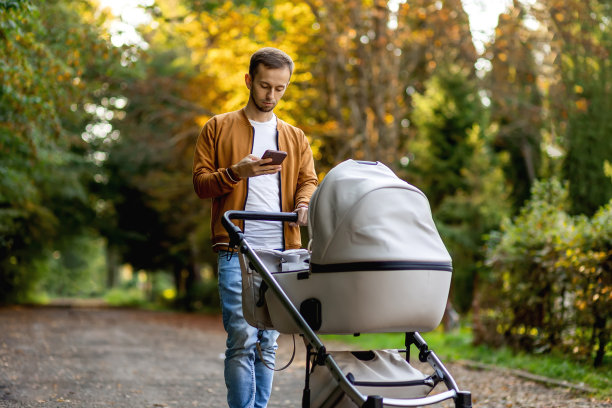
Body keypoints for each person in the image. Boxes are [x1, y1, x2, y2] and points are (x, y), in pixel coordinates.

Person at [192, 47, 318, 408]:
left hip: (283, 254)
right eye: (265, 86)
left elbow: (308, 181)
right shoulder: (216, 128)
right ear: (249, 80)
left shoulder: (295, 137)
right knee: (242, 339)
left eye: (280, 89)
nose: (272, 96)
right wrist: (237, 172)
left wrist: (304, 204)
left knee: (269, 341)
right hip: (235, 250)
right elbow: (201, 184)